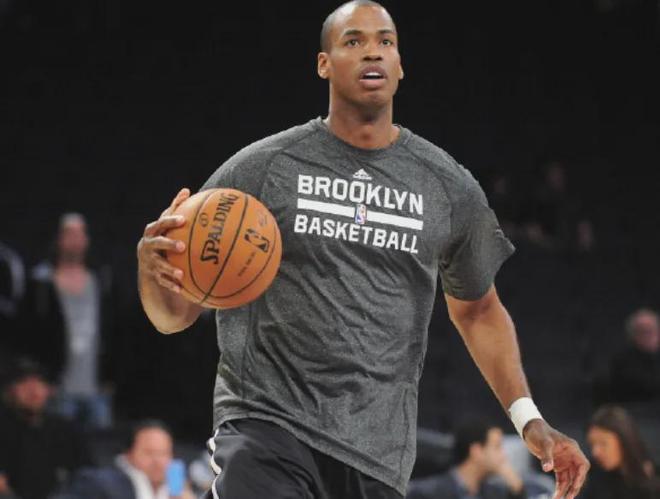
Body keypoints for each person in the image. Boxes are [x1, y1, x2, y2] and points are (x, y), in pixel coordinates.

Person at [136, 2, 590, 498]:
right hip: (266, 427)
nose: (372, 52)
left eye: (385, 42)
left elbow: (479, 311)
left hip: (377, 454)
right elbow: (173, 316)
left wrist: (529, 420)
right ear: (324, 64)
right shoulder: (262, 168)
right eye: (353, 41)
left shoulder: (447, 186)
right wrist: (151, 268)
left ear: (400, 66)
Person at [20, 212, 116, 430]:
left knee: (99, 445)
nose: (75, 239)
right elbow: (32, 335)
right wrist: (42, 378)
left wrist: (110, 377)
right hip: (58, 388)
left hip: (96, 388)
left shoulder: (100, 282)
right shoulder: (42, 285)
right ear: (58, 239)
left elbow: (113, 331)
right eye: (69, 233)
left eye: (80, 233)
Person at [0, 358, 92, 499]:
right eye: (23, 383)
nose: (33, 390)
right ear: (9, 391)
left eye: (40, 383)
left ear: (50, 390)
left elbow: (88, 475)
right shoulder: (4, 428)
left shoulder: (66, 429)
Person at [65, 420, 194, 499]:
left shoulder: (180, 486)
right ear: (128, 454)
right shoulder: (100, 482)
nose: (158, 461)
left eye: (164, 453)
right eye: (149, 453)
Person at [407, 421, 527, 499]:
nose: (503, 456)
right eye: (497, 447)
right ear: (477, 451)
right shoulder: (428, 493)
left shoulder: (494, 493)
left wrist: (517, 488)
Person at [583, 405, 660, 498]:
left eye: (603, 443)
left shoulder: (652, 479)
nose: (595, 452)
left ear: (624, 441)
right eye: (591, 445)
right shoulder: (592, 477)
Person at [608, 308, 660, 403]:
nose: (650, 336)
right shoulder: (623, 361)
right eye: (644, 332)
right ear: (633, 335)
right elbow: (644, 386)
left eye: (653, 330)